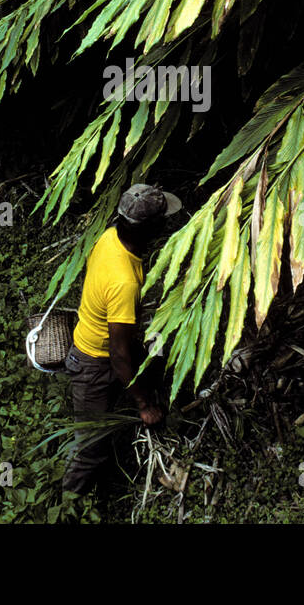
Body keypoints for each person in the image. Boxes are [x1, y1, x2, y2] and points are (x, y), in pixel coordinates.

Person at [61, 183, 182, 495]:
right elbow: (118, 356)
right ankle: (66, 505)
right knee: (90, 451)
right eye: (162, 219)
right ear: (148, 228)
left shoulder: (110, 237)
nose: (167, 222)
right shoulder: (124, 281)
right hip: (94, 365)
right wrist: (144, 405)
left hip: (91, 350)